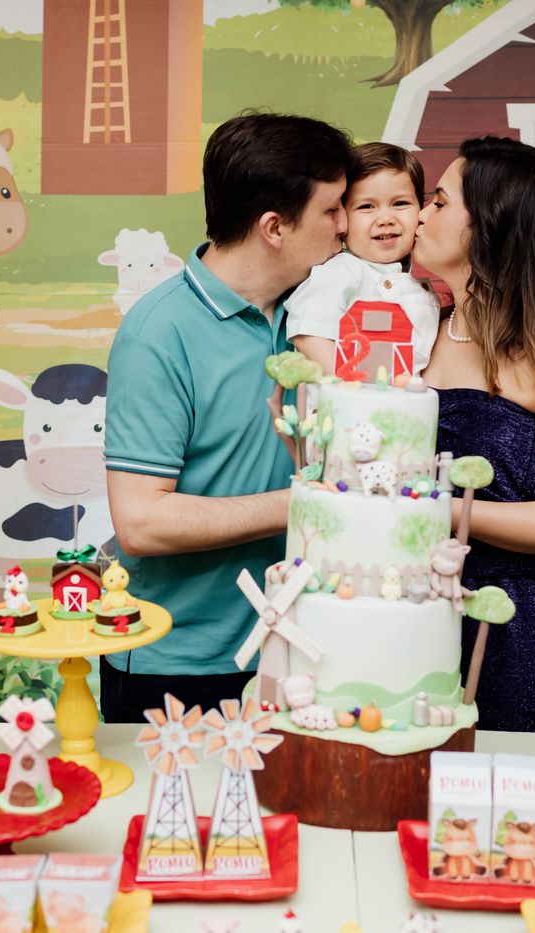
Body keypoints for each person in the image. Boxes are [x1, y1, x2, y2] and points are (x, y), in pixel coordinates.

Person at [101, 112, 356, 723]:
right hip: (178, 662)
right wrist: (308, 504)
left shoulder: (321, 316)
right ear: (275, 227)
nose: (347, 225)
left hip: (305, 653)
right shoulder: (157, 331)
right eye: (332, 209)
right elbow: (141, 522)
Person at [415, 136, 535, 732]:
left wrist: (437, 508)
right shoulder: (417, 328)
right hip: (407, 608)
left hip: (509, 625)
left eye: (440, 202)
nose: (420, 214)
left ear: (489, 226)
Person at [285, 142, 441, 378]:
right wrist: (352, 388)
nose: (386, 218)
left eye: (400, 203)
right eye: (366, 206)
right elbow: (309, 336)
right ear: (342, 216)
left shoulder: (422, 288)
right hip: (346, 396)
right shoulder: (339, 272)